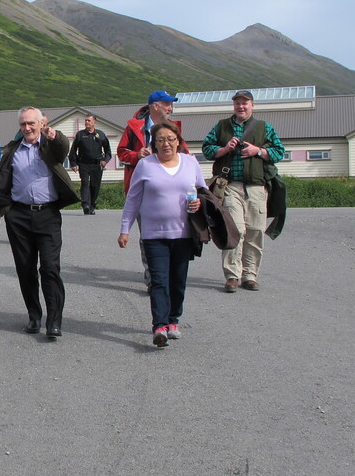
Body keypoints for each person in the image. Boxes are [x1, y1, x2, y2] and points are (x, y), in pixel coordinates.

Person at [0, 106, 79, 340]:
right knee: (25, 268)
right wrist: (6, 209)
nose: (28, 128)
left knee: (50, 268)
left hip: (47, 214)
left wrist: (56, 136)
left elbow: (63, 148)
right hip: (18, 216)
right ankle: (34, 315)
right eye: (23, 124)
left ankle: (54, 321)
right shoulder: (13, 149)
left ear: (42, 123)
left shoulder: (49, 145)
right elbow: (3, 178)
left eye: (32, 123)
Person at [117, 121, 205, 347]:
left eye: (170, 139)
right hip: (153, 234)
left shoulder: (190, 162)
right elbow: (133, 199)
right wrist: (125, 229)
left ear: (178, 141)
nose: (166, 144)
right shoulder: (145, 165)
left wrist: (198, 203)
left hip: (184, 234)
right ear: (154, 144)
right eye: (160, 140)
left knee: (177, 281)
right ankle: (159, 326)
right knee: (159, 282)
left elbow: (203, 193)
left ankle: (173, 320)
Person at [202, 90, 285, 292]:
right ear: (234, 106)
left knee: (255, 232)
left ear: (252, 105)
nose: (241, 106)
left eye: (245, 103)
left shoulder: (264, 127)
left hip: (257, 187)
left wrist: (259, 151)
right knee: (235, 229)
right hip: (231, 186)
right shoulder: (222, 126)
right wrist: (224, 149)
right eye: (238, 103)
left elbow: (279, 152)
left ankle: (250, 275)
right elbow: (207, 149)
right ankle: (232, 275)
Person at [117, 90, 190, 292]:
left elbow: (185, 154)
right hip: (142, 189)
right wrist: (137, 154)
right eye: (167, 104)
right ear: (155, 106)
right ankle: (154, 279)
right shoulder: (133, 127)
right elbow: (121, 153)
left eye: (171, 104)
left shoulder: (173, 129)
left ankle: (170, 275)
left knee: (174, 235)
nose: (170, 108)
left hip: (171, 189)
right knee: (148, 236)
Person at [68, 113, 112, 215]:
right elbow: (73, 150)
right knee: (85, 183)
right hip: (84, 164)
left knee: (95, 186)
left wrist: (105, 160)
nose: (87, 122)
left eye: (89, 120)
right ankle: (86, 205)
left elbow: (107, 150)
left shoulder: (100, 135)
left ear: (94, 122)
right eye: (86, 120)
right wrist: (73, 163)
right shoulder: (80, 135)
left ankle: (92, 205)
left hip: (97, 164)